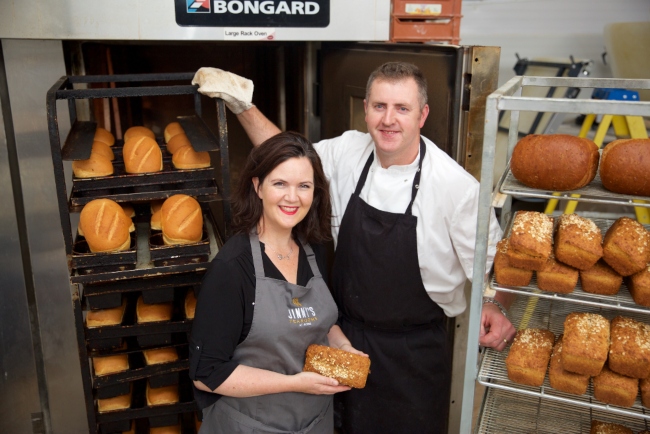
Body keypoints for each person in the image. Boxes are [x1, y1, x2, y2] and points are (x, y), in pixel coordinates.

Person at [192, 63, 515, 433]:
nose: (389, 120)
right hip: (338, 341)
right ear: (365, 109)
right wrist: (242, 105)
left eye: (402, 108)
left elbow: (499, 266)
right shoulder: (348, 152)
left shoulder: (457, 189)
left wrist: (494, 303)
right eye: (379, 106)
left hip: (409, 358)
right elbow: (289, 165)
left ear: (423, 114)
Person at [189, 131, 365, 434]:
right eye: (280, 183)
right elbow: (206, 373)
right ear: (257, 187)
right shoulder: (232, 269)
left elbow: (321, 321)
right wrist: (294, 384)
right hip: (251, 425)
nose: (292, 197)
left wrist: (344, 346)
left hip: (315, 423)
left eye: (304, 186)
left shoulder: (315, 250)